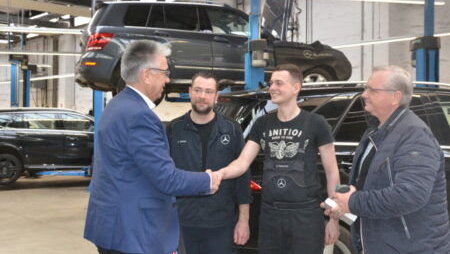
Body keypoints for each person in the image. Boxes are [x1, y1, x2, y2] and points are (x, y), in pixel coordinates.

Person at [84, 40, 220, 254]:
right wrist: (208, 180)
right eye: (164, 72)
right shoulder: (140, 116)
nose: (167, 79)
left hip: (111, 225)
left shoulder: (116, 106)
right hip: (133, 231)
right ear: (147, 74)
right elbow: (167, 179)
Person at [324, 66, 450, 253]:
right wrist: (344, 203)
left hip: (410, 247)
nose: (364, 94)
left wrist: (352, 202)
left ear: (395, 97)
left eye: (372, 90)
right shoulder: (376, 130)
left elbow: (409, 195)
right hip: (385, 243)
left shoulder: (414, 136)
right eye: (366, 88)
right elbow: (372, 183)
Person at [217, 64, 340, 254]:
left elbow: (332, 172)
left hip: (306, 216)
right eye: (271, 83)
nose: (272, 87)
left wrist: (334, 219)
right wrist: (218, 174)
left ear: (296, 87)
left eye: (279, 83)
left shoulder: (316, 123)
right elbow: (242, 162)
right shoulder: (262, 123)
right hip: (271, 215)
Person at [167, 71, 252, 254]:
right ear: (189, 92)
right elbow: (164, 177)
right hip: (182, 223)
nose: (202, 97)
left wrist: (243, 220)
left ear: (216, 96)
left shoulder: (232, 129)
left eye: (208, 91)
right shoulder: (174, 129)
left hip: (221, 224)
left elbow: (243, 179)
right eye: (198, 90)